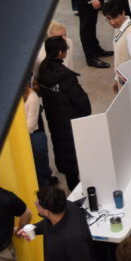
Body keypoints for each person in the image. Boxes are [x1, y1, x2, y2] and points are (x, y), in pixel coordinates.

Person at [36, 37, 91, 190]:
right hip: (73, 126)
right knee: (80, 159)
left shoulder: (42, 69)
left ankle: (74, 191)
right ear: (61, 53)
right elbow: (84, 104)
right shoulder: (67, 77)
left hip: (55, 124)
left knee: (66, 161)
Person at [102, 0, 131, 92]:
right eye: (108, 19)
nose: (112, 22)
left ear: (123, 13)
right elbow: (120, 57)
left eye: (115, 17)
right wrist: (117, 79)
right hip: (123, 80)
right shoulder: (119, 27)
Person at [24, 84, 53, 188]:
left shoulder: (32, 97)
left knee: (39, 163)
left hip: (33, 136)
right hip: (25, 136)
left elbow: (30, 126)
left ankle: (45, 182)